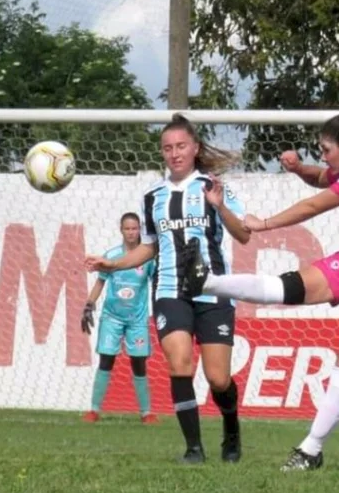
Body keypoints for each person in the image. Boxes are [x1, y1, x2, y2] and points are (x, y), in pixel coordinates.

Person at [182, 107, 339, 471]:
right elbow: (322, 178)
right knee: (292, 285)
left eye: (326, 148)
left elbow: (315, 204)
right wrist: (301, 169)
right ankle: (203, 282)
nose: (323, 156)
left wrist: (264, 223)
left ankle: (311, 450)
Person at [86, 114, 251, 464]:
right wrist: (113, 264)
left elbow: (243, 234)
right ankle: (193, 448)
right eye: (167, 148)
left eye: (180, 146)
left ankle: (231, 430)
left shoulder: (213, 187)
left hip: (214, 291)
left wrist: (220, 207)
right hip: (169, 290)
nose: (174, 153)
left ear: (194, 148)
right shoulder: (153, 196)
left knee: (219, 378)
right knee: (179, 364)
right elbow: (150, 247)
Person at [81, 212, 159, 425]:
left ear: (140, 230)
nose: (132, 232)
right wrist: (89, 305)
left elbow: (157, 284)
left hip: (137, 319)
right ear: (121, 230)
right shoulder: (112, 255)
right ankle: (94, 410)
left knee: (139, 363)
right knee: (106, 360)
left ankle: (146, 413)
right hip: (112, 317)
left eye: (135, 228)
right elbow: (101, 282)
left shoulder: (148, 258)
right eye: (128, 228)